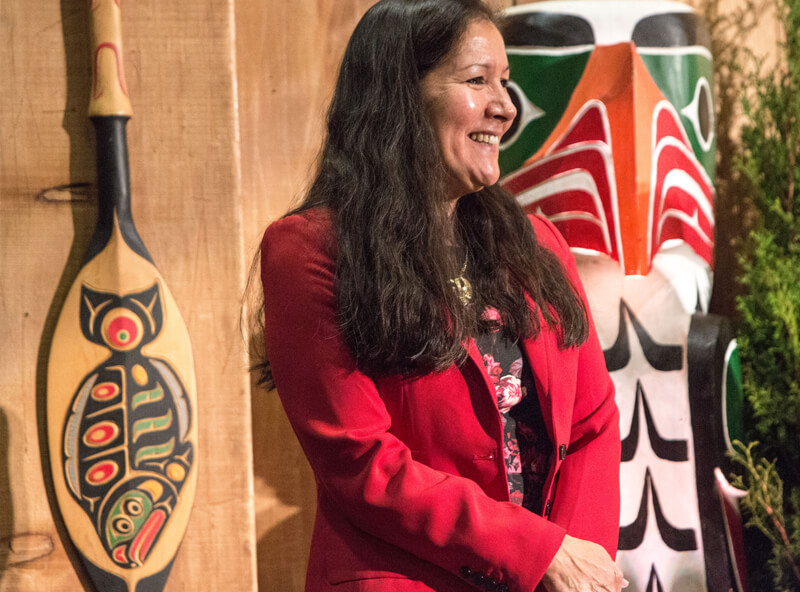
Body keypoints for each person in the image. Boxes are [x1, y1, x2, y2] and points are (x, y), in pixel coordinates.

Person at [258, 0, 625, 590]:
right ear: (401, 96)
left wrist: (578, 561)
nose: (505, 106)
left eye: (505, 82)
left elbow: (593, 421)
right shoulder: (309, 251)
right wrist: (537, 552)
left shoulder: (537, 245)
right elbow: (361, 461)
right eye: (477, 80)